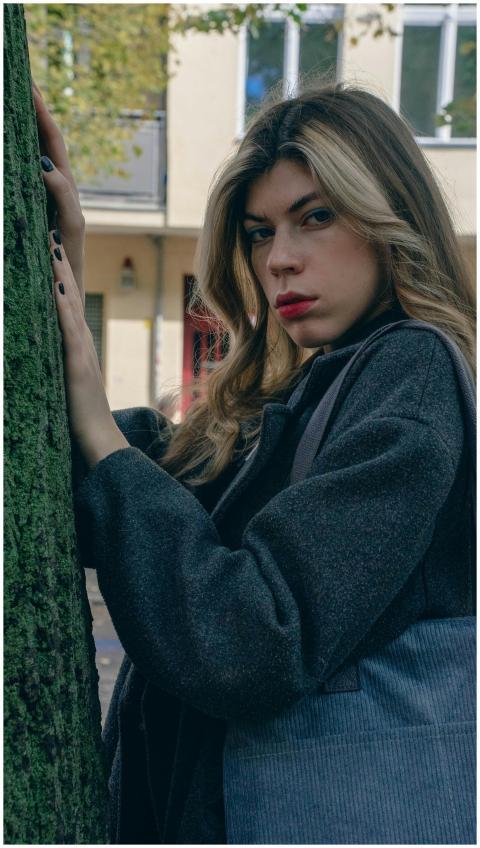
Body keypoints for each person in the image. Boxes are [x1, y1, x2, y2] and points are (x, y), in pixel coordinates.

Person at [33, 78, 475, 844]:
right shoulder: (320, 384)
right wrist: (60, 257)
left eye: (316, 217)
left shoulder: (410, 373)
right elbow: (160, 484)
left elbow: (249, 639)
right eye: (259, 232)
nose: (279, 261)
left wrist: (101, 438)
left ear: (389, 216)